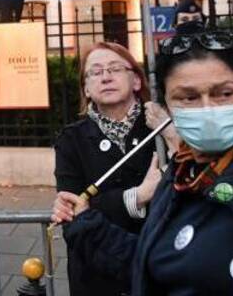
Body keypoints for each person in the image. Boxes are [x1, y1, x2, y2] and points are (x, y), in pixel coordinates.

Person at [59, 31, 233, 295]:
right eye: (188, 98)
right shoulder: (182, 174)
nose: (207, 108)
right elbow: (156, 266)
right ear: (168, 106)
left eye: (224, 93)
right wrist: (86, 225)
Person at [51, 42, 162, 296]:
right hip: (95, 278)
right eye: (95, 72)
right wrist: (138, 196)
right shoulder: (71, 140)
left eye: (115, 68)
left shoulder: (160, 129)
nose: (106, 77)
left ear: (135, 80)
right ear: (86, 89)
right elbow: (74, 215)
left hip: (155, 269)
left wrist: (97, 206)